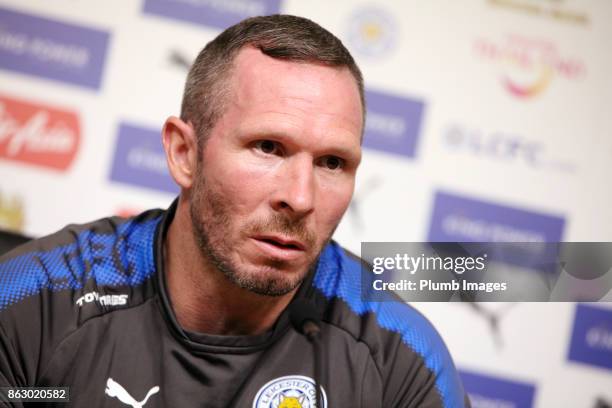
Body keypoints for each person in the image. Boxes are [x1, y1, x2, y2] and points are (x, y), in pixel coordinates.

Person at [0, 15, 469, 407]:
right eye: (268, 147)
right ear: (184, 153)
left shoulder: (401, 361)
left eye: (332, 162)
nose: (301, 198)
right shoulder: (33, 303)